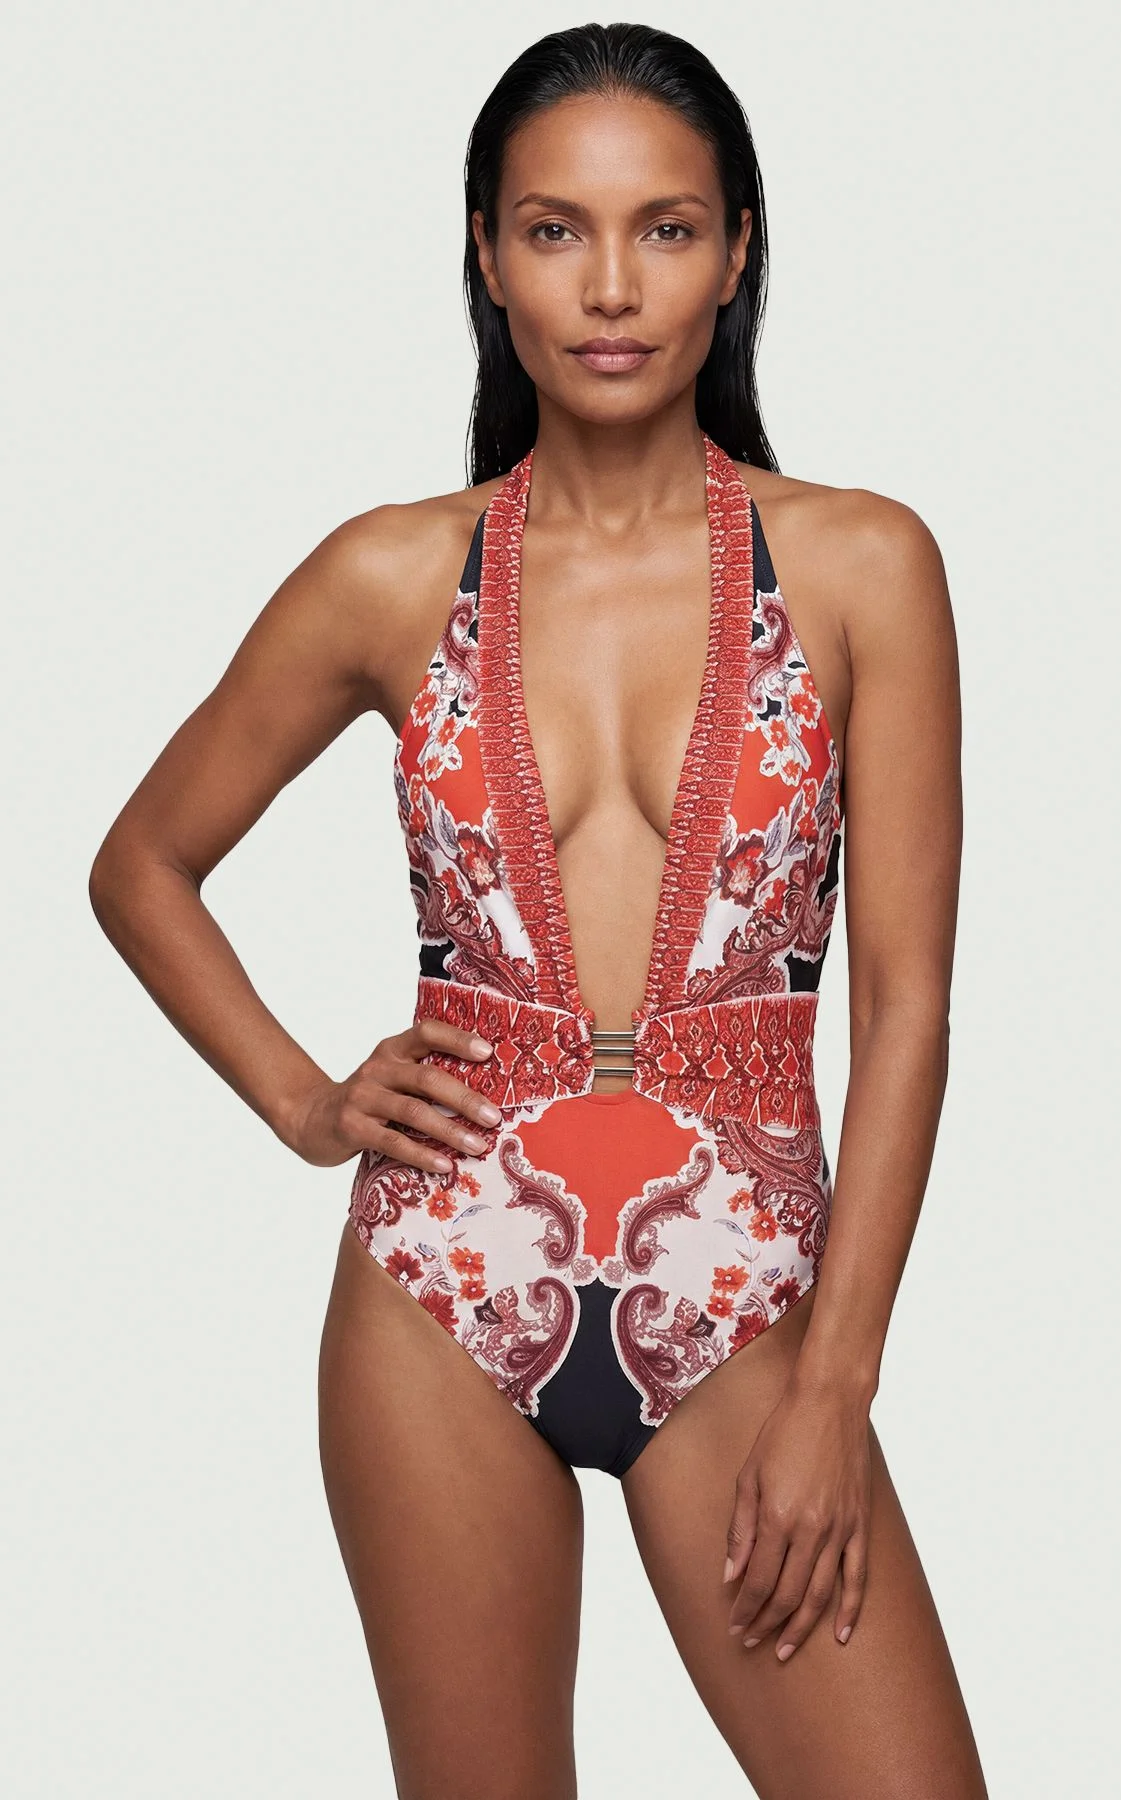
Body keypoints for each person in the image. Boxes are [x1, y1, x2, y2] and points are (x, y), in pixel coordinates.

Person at [89, 21, 986, 1800]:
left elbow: (907, 1013)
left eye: (667, 229)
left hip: (743, 1292)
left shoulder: (864, 563)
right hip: (438, 1281)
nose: (612, 287)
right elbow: (142, 865)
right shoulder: (388, 571)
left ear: (737, 253)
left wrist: (836, 1390)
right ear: (488, 257)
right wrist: (305, 1101)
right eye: (555, 229)